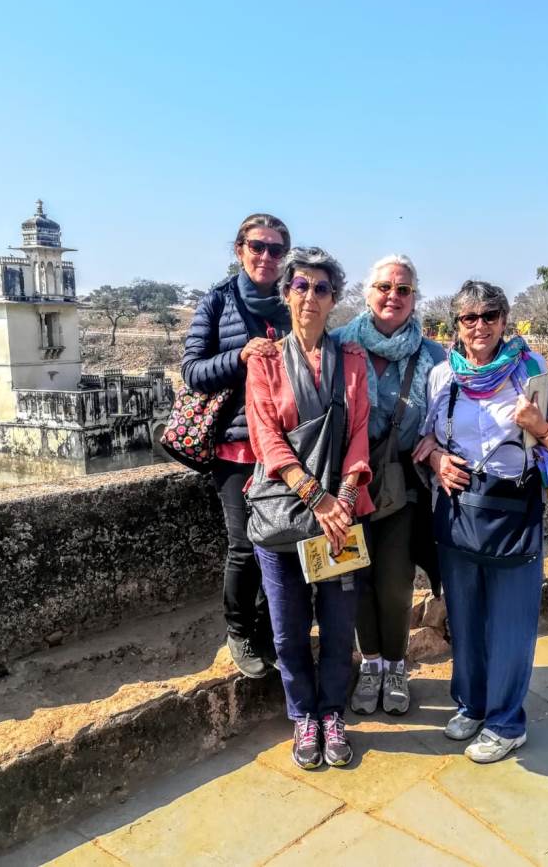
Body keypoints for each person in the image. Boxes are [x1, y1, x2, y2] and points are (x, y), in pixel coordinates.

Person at [414, 280, 548, 763]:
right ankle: (472, 705)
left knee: (510, 622)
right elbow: (427, 441)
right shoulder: (444, 377)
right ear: (456, 325)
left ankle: (506, 722)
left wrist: (535, 425)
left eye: (489, 316)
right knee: (464, 614)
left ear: (504, 321)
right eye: (469, 318)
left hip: (513, 509)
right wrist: (438, 459)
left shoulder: (530, 372)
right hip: (460, 509)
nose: (479, 326)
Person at [245, 247, 373, 770]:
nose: (310, 297)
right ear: (286, 295)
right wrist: (316, 497)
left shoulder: (352, 362)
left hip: (339, 519)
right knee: (287, 629)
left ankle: (332, 713)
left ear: (335, 299)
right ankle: (303, 716)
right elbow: (266, 438)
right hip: (284, 517)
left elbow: (360, 433)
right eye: (300, 286)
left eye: (321, 288)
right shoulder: (266, 362)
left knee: (340, 627)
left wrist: (342, 500)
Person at [333, 255, 446, 716]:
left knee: (395, 580)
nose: (392, 297)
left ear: (414, 297)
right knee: (354, 579)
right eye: (384, 287)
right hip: (346, 482)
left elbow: (451, 410)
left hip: (403, 484)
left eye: (403, 290)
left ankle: (396, 666)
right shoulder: (339, 346)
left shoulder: (433, 356)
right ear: (367, 292)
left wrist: (436, 437)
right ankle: (372, 665)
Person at [181, 213, 292, 679]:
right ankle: (240, 631)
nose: (266, 256)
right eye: (257, 246)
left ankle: (272, 629)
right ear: (239, 249)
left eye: (275, 249)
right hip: (236, 446)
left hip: (286, 447)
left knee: (284, 543)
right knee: (245, 546)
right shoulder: (218, 302)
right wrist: (240, 355)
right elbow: (191, 370)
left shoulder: (293, 302)